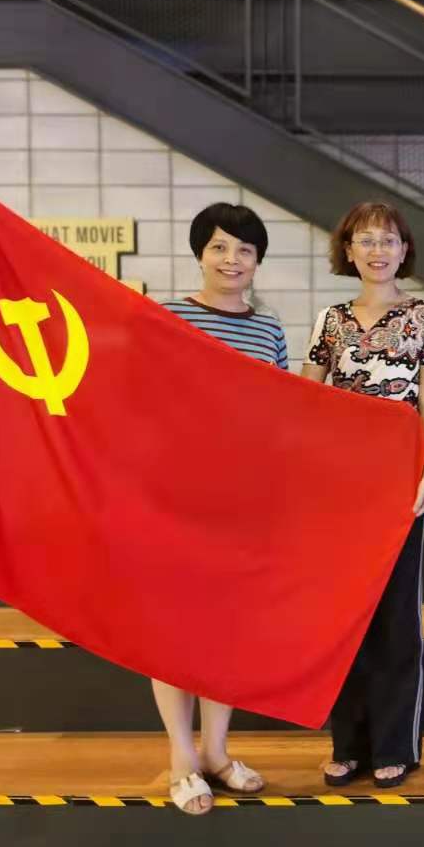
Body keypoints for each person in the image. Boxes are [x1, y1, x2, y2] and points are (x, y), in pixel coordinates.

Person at [302, 201, 424, 790]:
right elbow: (307, 401)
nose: (377, 250)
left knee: (396, 616)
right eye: (365, 240)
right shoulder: (330, 320)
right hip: (340, 487)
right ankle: (348, 743)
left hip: (399, 480)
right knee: (344, 616)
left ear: (404, 250)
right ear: (349, 250)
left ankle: (395, 745)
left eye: (388, 240)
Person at [157, 202, 286, 815]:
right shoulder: (168, 317)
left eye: (244, 250)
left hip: (244, 503)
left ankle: (216, 751)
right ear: (199, 253)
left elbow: (281, 416)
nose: (231, 260)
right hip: (178, 501)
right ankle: (181, 759)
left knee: (228, 633)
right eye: (219, 247)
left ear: (257, 261)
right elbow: (141, 401)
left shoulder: (269, 330)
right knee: (173, 632)